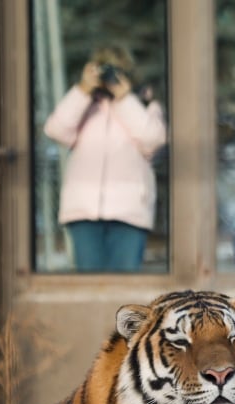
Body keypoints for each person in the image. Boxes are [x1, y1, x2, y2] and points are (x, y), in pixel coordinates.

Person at [44, 45, 167, 272]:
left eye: (116, 70)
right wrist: (82, 90)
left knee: (125, 285)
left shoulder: (144, 104)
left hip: (129, 211)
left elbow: (153, 139)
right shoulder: (83, 105)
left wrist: (124, 99)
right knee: (89, 283)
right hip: (83, 210)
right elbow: (56, 130)